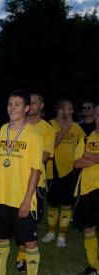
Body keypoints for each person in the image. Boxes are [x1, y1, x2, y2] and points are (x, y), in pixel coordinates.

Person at [0, 90, 44, 275]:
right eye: (10, 104)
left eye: (17, 104)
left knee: (30, 242)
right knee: (0, 239)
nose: (12, 108)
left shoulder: (34, 135)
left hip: (22, 200)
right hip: (1, 198)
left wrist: (27, 200)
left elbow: (36, 170)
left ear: (27, 108)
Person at [13, 93, 55, 272]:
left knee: (28, 220)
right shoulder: (17, 126)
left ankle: (22, 257)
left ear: (41, 106)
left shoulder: (47, 129)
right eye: (28, 102)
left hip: (35, 180)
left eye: (34, 102)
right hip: (15, 179)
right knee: (14, 217)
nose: (31, 105)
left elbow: (44, 156)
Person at [42, 99, 84, 247]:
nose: (72, 111)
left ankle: (62, 235)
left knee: (67, 205)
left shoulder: (76, 127)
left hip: (70, 171)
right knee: (52, 204)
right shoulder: (49, 125)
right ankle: (51, 232)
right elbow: (50, 147)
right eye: (69, 109)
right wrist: (64, 130)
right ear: (60, 109)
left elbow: (84, 142)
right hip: (52, 171)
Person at [73, 104, 99, 275]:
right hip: (87, 189)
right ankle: (94, 266)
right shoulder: (87, 138)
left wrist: (89, 156)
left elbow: (84, 159)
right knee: (89, 229)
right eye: (97, 114)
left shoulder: (87, 144)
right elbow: (76, 163)